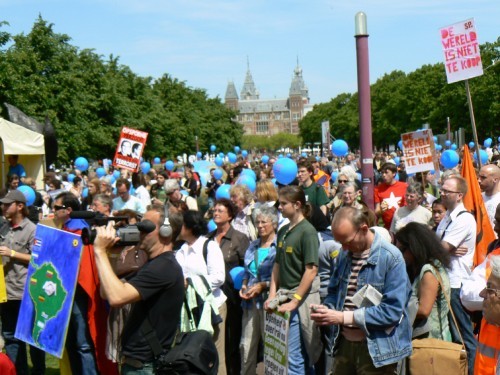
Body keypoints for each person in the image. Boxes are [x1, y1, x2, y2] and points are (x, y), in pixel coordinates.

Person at [311, 206, 412, 374]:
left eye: (347, 242)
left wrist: (342, 317)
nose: (343, 248)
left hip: (377, 350)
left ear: (364, 229)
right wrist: (327, 309)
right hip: (344, 345)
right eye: (340, 243)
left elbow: (392, 312)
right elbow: (334, 292)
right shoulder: (345, 254)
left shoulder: (391, 258)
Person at [92, 205, 185, 374]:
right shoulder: (153, 265)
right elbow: (106, 293)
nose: (139, 231)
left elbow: (116, 298)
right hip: (138, 363)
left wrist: (99, 251)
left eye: (145, 227)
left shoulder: (163, 267)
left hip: (145, 366)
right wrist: (112, 254)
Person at [53, 192, 117, 375]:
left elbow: (87, 270)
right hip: (63, 293)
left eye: (56, 208)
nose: (53, 211)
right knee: (69, 341)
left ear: (68, 210)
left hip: (80, 294)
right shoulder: (63, 230)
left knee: (83, 343)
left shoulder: (83, 233)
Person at [264, 186, 322, 375]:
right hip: (283, 300)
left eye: (283, 204)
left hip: (300, 302)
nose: (279, 208)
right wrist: (272, 295)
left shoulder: (308, 232)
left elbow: (311, 270)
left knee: (295, 358)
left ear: (297, 205)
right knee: (289, 356)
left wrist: (295, 300)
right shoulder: (283, 230)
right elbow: (277, 265)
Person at [175, 210, 227, 373]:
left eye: (181, 225)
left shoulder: (209, 246)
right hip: (190, 310)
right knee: (192, 354)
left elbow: (219, 277)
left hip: (212, 308)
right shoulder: (181, 249)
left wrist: (191, 285)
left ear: (190, 227)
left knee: (215, 355)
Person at [0, 190, 46, 375]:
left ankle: (38, 371)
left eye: (6, 204)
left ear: (20, 206)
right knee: (10, 337)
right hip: (6, 292)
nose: (3, 207)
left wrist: (12, 253)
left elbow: (39, 258)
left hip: (26, 293)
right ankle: (16, 371)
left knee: (32, 338)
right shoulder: (3, 227)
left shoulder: (32, 229)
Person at [435, 175, 477, 374]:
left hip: (455, 283)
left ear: (459, 195)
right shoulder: (446, 217)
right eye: (441, 189)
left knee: (462, 335)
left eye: (446, 191)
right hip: (444, 281)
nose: (442, 193)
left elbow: (441, 247)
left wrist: (443, 248)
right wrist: (441, 248)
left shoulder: (465, 218)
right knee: (452, 335)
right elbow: (438, 246)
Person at [207, 198, 249, 375]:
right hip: (211, 298)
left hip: (232, 298)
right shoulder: (207, 239)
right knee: (214, 339)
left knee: (231, 340)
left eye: (220, 211)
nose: (216, 213)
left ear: (230, 215)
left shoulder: (240, 238)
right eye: (214, 210)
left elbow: (248, 268)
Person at [395, 222, 452, 341]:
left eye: (402, 250)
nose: (400, 255)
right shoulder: (431, 266)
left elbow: (424, 310)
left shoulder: (429, 272)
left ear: (414, 247)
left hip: (431, 343)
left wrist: (392, 308)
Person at [239, 205, 278, 375]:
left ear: (274, 224)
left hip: (269, 303)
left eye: (264, 222)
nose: (260, 225)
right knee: (246, 346)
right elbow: (247, 272)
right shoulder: (253, 245)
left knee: (271, 347)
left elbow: (282, 277)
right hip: (250, 303)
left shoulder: (279, 247)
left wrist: (264, 286)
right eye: (257, 222)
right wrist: (244, 284)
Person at [374, 162, 408, 229]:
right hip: (386, 227)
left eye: (386, 172)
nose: (383, 175)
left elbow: (408, 207)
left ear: (394, 173)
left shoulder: (404, 186)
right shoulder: (377, 189)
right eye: (382, 173)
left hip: (402, 225)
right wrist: (381, 210)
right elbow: (377, 211)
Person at [478, 164, 500, 233]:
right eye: (478, 177)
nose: (479, 180)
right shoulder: (478, 198)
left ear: (495, 179)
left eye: (483, 177)